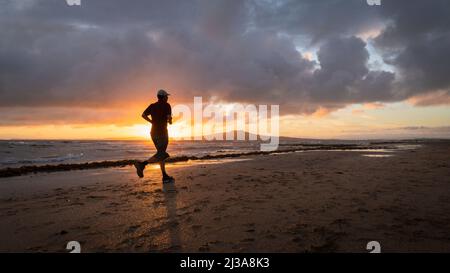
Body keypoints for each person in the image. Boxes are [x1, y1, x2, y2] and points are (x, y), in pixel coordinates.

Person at [134, 89, 174, 183]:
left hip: (153, 133)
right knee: (162, 154)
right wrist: (170, 120)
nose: (167, 98)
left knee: (160, 154)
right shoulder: (167, 105)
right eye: (166, 96)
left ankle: (164, 176)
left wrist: (151, 122)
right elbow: (169, 119)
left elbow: (143, 115)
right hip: (162, 133)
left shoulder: (152, 106)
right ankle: (142, 164)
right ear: (163, 97)